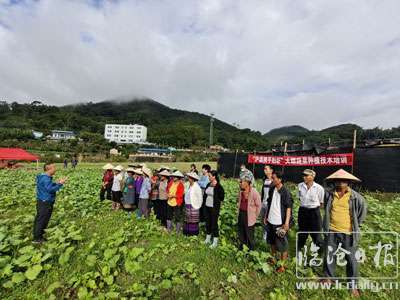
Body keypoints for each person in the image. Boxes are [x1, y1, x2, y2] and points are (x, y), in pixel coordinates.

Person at [321, 169, 367, 297]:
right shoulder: (330, 195)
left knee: (352, 259)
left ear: (348, 182)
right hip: (332, 230)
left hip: (348, 233)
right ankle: (329, 278)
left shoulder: (356, 197)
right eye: (338, 180)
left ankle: (352, 285)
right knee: (330, 255)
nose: (340, 183)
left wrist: (356, 225)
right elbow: (327, 209)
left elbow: (362, 214)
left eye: (343, 180)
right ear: (334, 182)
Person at [263, 171, 293, 273]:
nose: (272, 179)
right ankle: (273, 259)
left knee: (282, 245)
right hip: (271, 219)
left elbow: (289, 208)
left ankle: (282, 265)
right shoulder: (272, 189)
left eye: (274, 178)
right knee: (272, 242)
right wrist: (266, 216)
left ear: (280, 180)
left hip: (279, 222)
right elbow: (269, 203)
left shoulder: (285, 192)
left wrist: (286, 223)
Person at [33, 163, 67, 243]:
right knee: (42, 219)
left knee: (40, 218)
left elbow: (48, 186)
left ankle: (38, 235)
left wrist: (56, 183)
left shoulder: (44, 177)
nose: (55, 169)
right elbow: (50, 189)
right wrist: (60, 184)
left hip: (42, 200)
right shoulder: (46, 179)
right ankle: (37, 238)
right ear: (49, 169)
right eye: (54, 167)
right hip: (45, 201)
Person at [297, 169, 325, 252]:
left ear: (312, 177)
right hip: (303, 211)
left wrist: (313, 209)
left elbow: (321, 202)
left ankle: (320, 251)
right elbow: (299, 198)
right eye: (303, 175)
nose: (304, 177)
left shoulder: (319, 188)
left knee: (316, 233)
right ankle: (299, 249)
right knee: (302, 232)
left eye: (306, 175)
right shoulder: (300, 186)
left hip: (314, 212)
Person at [238, 172, 262, 251]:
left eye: (242, 181)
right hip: (241, 214)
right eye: (240, 181)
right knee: (241, 232)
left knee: (249, 234)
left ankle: (251, 250)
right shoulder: (241, 191)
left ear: (247, 183)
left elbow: (259, 205)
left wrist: (255, 216)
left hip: (250, 216)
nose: (240, 183)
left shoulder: (254, 192)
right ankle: (242, 249)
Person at [204, 170, 225, 248]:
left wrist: (217, 203)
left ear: (214, 176)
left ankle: (215, 241)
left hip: (214, 208)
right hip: (207, 207)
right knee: (208, 223)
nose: (208, 177)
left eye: (209, 176)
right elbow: (205, 195)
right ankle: (208, 239)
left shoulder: (219, 187)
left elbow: (222, 197)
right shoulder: (208, 184)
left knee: (214, 224)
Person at [260, 165, 273, 240]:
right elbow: (263, 193)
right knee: (263, 220)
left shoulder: (274, 180)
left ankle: (269, 237)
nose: (264, 170)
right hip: (263, 204)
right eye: (264, 168)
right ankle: (264, 236)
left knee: (268, 220)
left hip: (270, 204)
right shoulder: (265, 180)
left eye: (266, 169)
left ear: (271, 170)